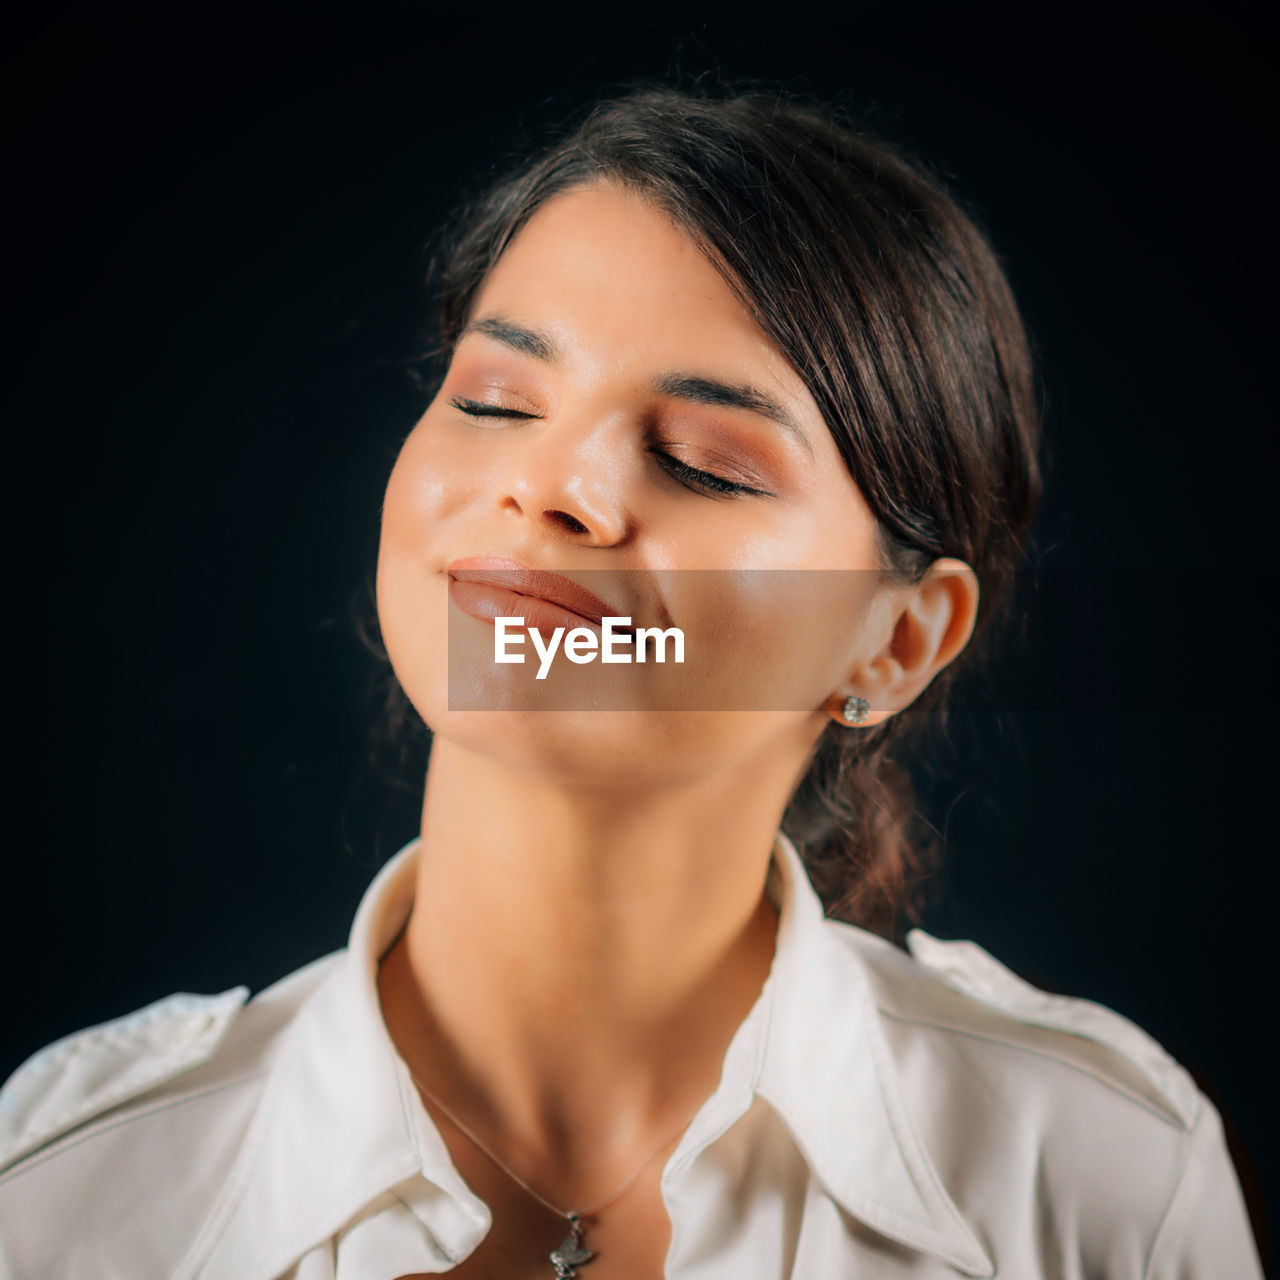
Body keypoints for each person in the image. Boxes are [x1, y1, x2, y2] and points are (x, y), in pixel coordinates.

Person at [0, 81, 1263, 1280]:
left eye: (708, 463)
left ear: (894, 641)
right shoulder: (69, 1186)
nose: (555, 486)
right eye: (496, 399)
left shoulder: (1107, 1181)